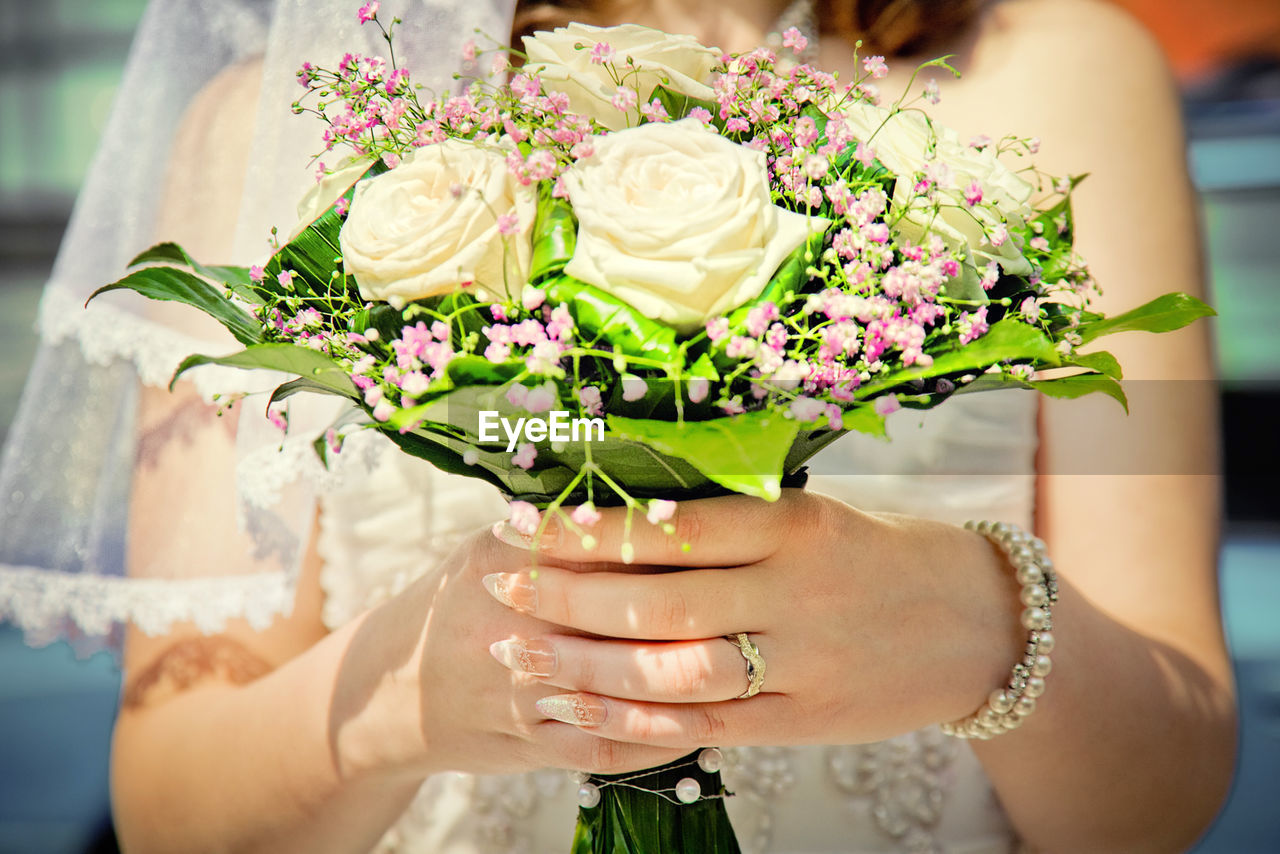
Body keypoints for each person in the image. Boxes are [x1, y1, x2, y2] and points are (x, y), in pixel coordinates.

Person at [0, 0, 1234, 852]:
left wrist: (983, 621)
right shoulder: (266, 121)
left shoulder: (1068, 72)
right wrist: (406, 696)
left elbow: (1170, 787)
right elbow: (170, 807)